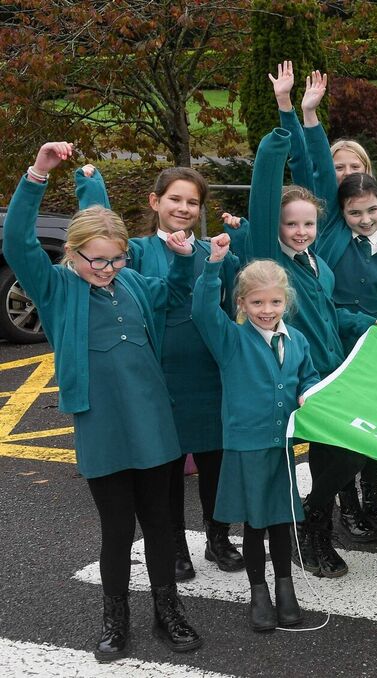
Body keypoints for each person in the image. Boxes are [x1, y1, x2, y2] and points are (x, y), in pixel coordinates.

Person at [4, 142, 203, 660]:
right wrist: (37, 174)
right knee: (117, 530)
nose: (108, 268)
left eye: (117, 258)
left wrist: (183, 263)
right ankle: (116, 619)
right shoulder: (56, 288)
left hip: (155, 425)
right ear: (71, 254)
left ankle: (168, 611)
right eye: (97, 259)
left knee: (159, 525)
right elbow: (17, 241)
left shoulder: (132, 282)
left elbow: (174, 295)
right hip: (102, 428)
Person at [74, 162, 245, 580]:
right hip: (160, 374)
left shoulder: (214, 253)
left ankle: (218, 536)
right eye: (175, 199)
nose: (183, 208)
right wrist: (91, 184)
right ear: (155, 201)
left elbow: (230, 310)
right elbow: (99, 233)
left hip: (209, 373)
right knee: (166, 468)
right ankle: (173, 545)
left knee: (216, 460)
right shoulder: (134, 252)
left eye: (192, 202)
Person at [230, 123, 377, 579]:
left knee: (345, 452)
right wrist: (276, 145)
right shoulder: (270, 261)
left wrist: (372, 325)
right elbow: (262, 200)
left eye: (308, 223)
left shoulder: (319, 264)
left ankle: (314, 521)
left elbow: (329, 316)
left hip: (328, 373)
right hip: (289, 377)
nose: (300, 231)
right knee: (319, 456)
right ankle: (307, 529)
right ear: (276, 226)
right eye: (290, 224)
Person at [192, 239, 321, 632]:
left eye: (275, 302)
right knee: (255, 523)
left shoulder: (297, 340)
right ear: (242, 304)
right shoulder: (231, 340)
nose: (267, 310)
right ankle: (258, 591)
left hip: (281, 447)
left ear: (286, 301)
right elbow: (202, 311)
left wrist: (308, 392)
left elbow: (309, 376)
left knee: (281, 521)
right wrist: (213, 265)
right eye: (257, 303)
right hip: (246, 447)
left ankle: (286, 587)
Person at [299, 83, 377, 539]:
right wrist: (308, 116)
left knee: (373, 425)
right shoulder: (331, 234)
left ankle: (370, 500)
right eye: (354, 213)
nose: (364, 220)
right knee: (343, 432)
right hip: (338, 346)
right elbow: (317, 166)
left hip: (376, 350)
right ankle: (344, 508)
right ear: (341, 213)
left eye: (371, 211)